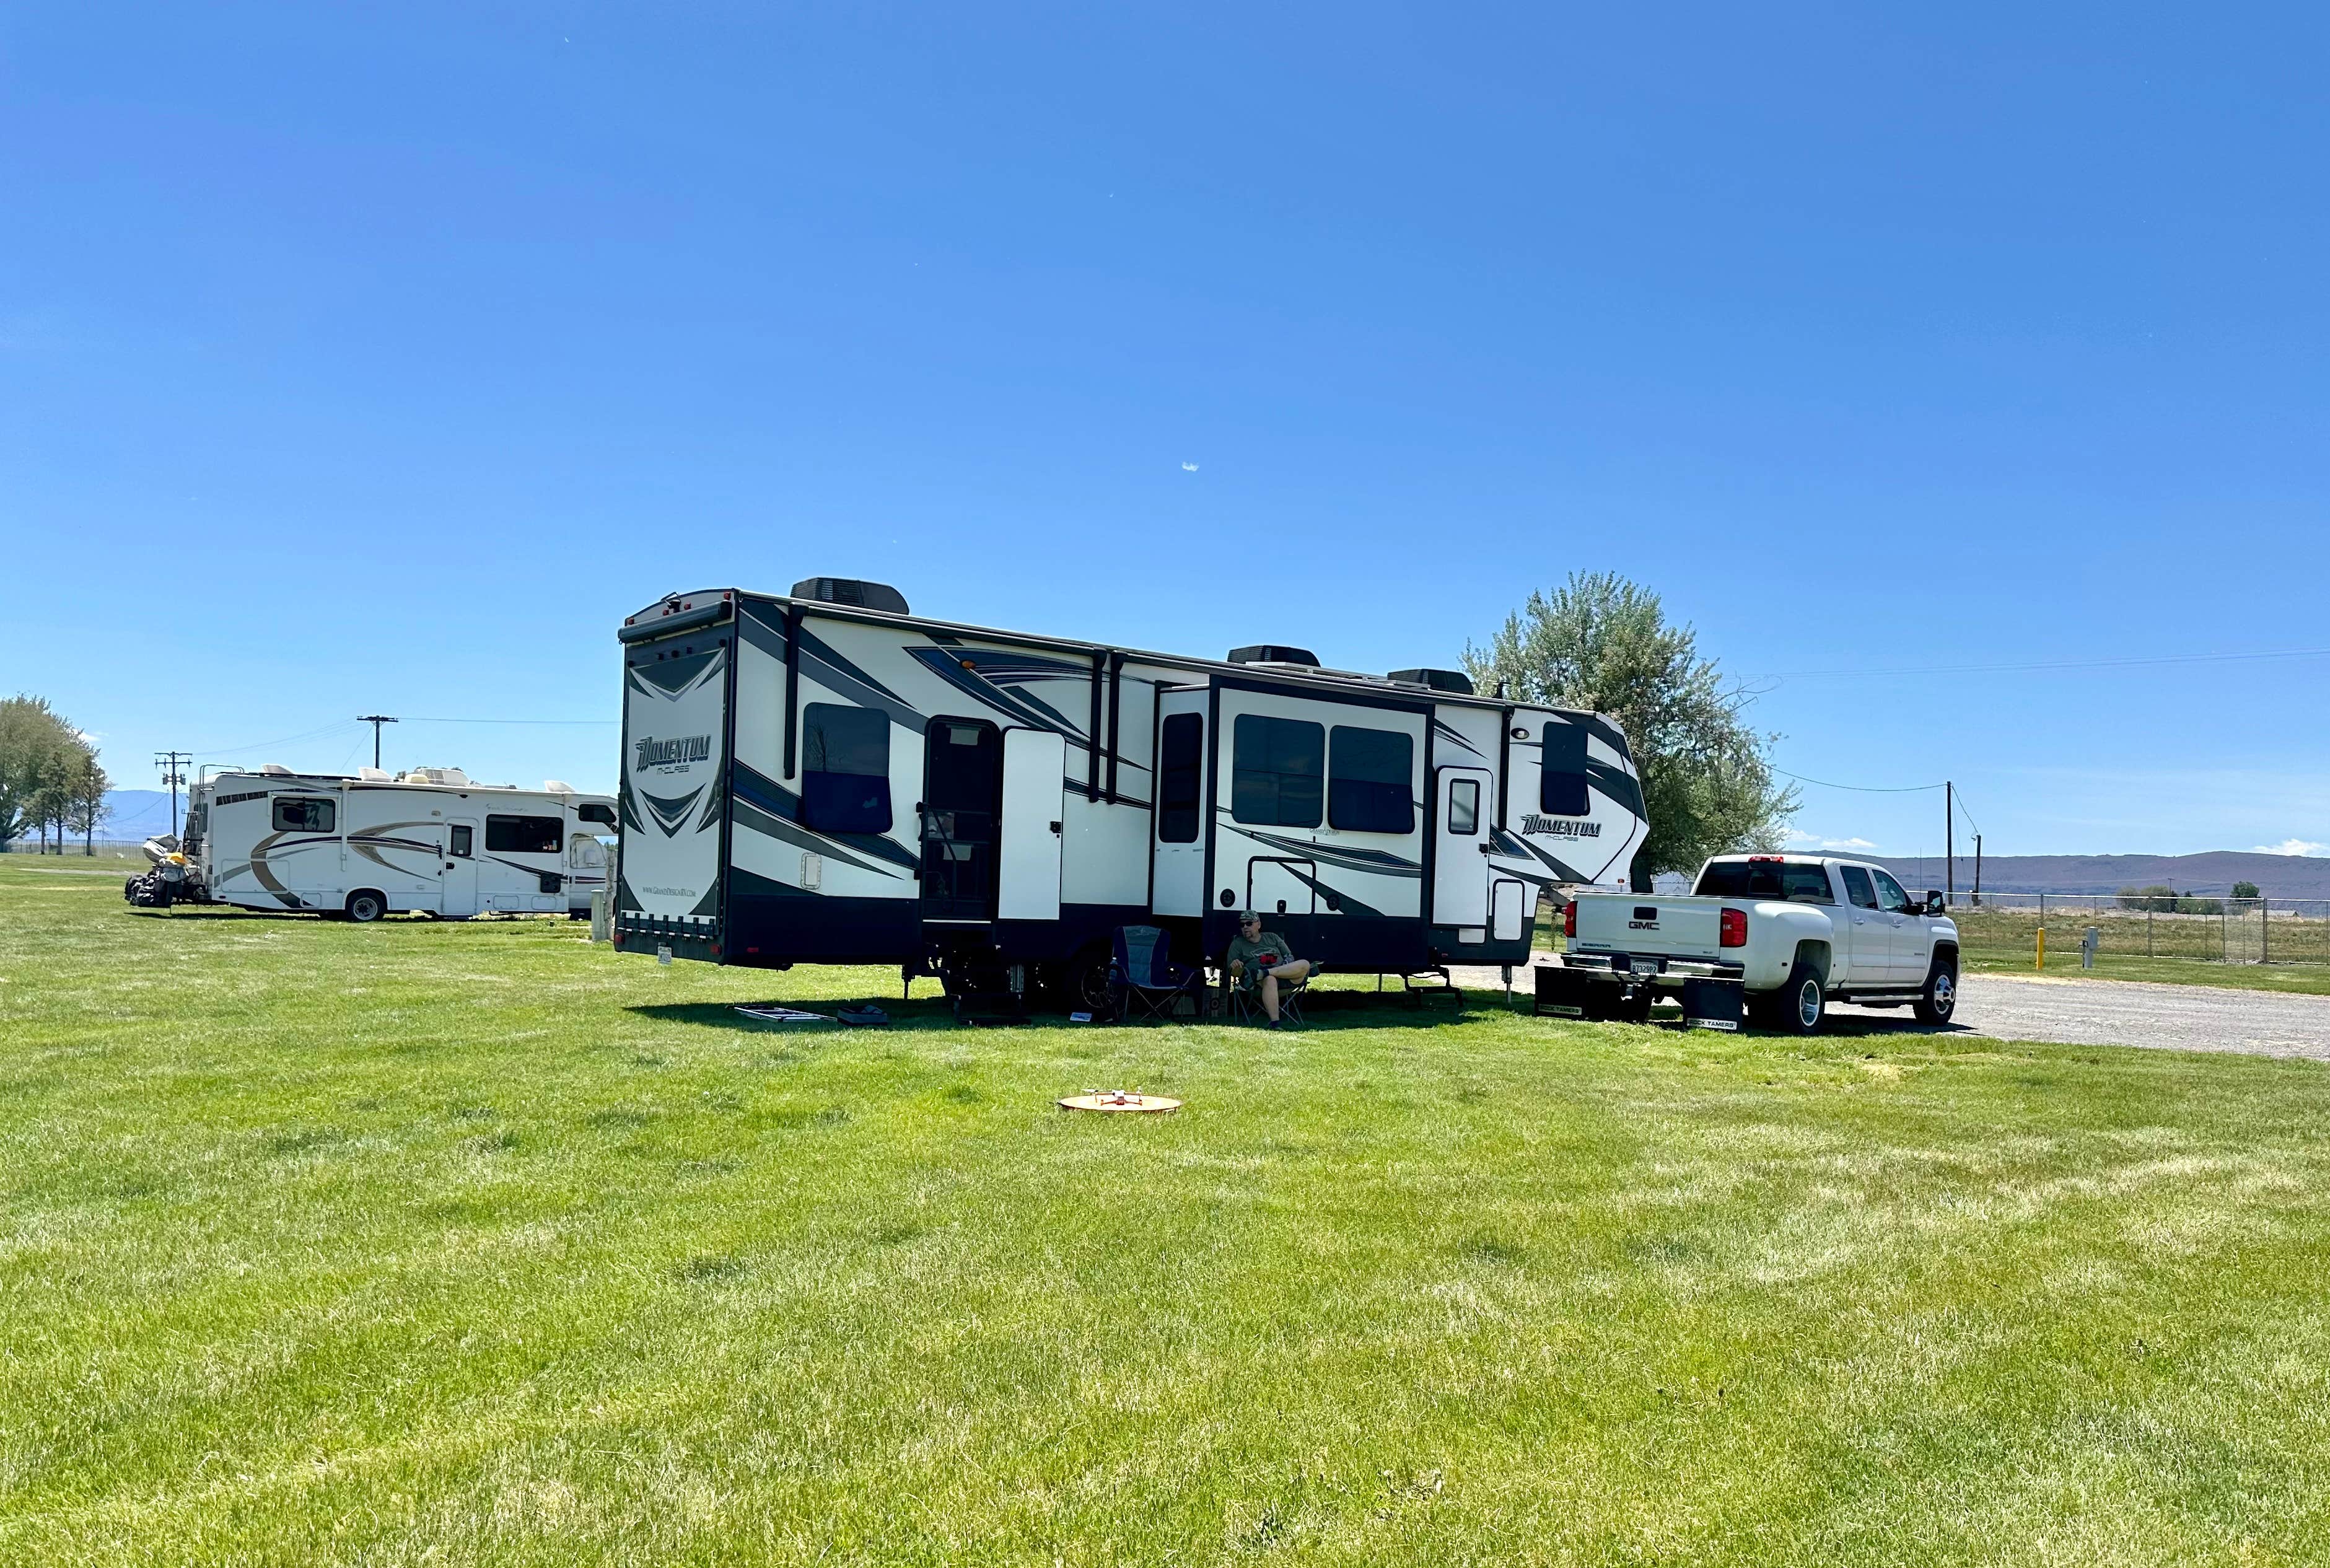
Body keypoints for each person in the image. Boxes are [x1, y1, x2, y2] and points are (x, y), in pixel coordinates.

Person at [1225, 911, 1320, 1027]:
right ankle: (1275, 1023)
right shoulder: (1238, 944)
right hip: (1260, 984)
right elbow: (1233, 972)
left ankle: (1264, 973)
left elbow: (1289, 956)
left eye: (1249, 923)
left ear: (1258, 924)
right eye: (1242, 925)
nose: (1245, 927)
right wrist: (1237, 967)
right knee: (1270, 979)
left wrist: (1283, 967)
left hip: (1286, 978)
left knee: (1305, 964)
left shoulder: (1272, 937)